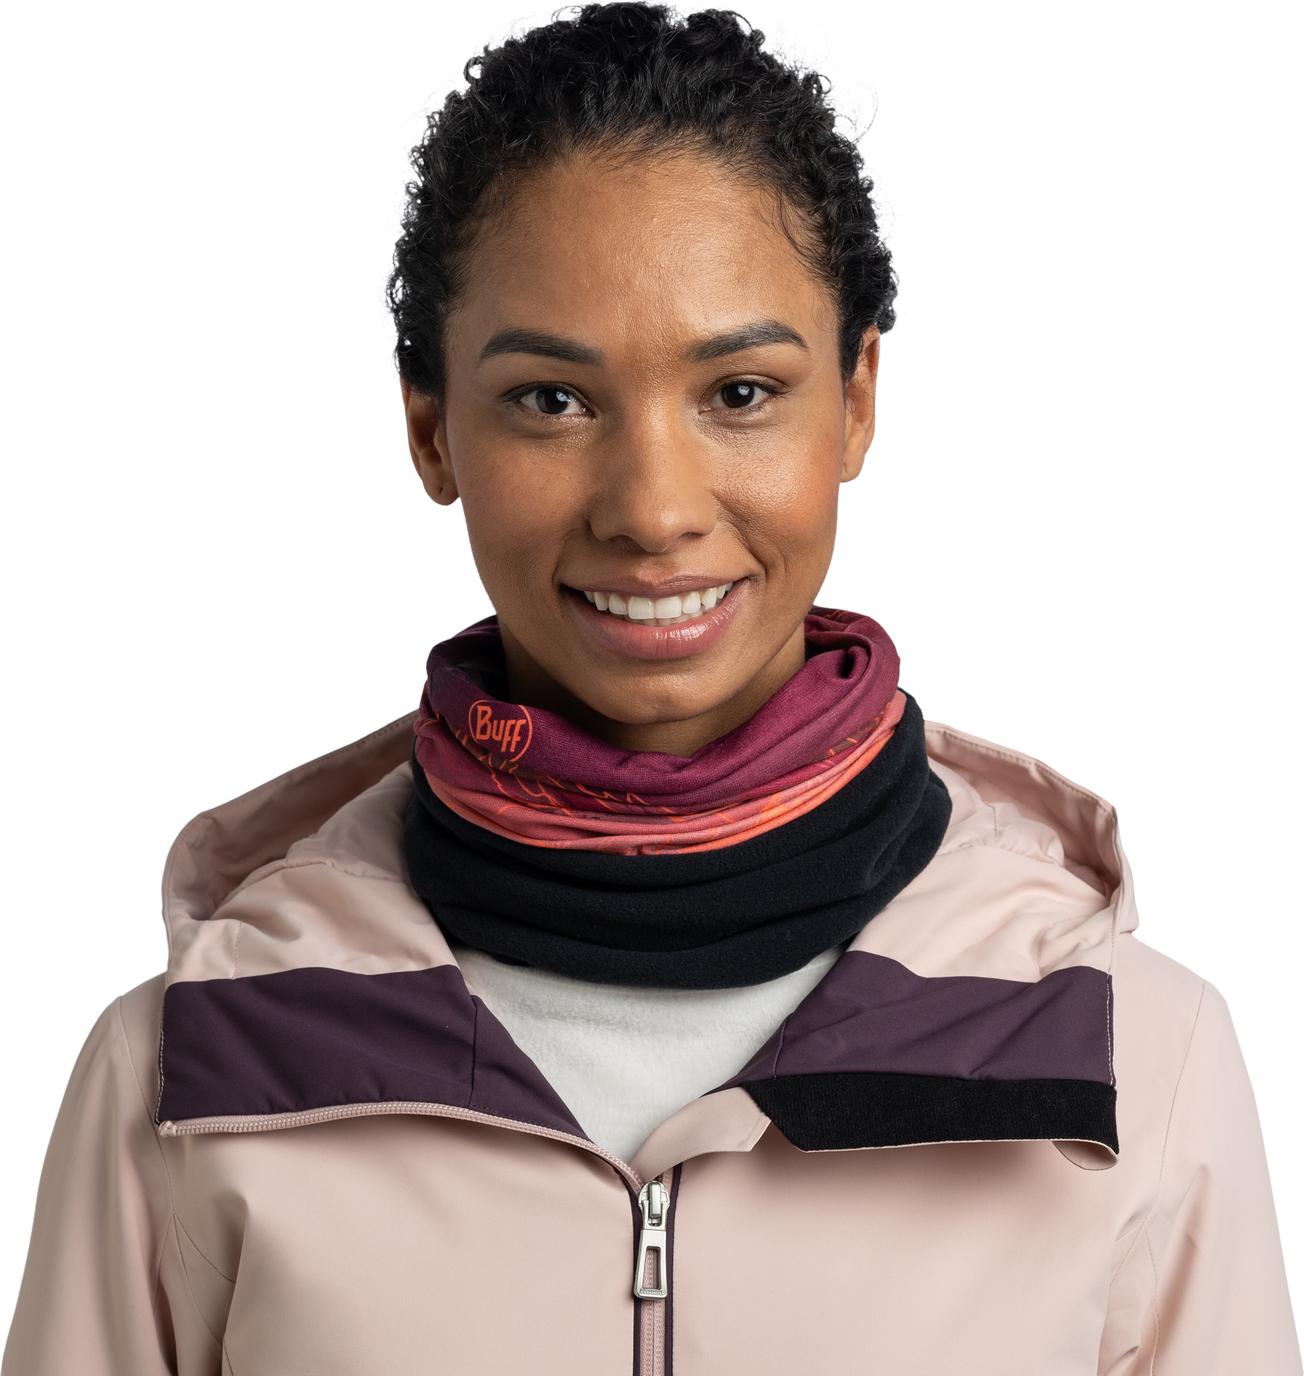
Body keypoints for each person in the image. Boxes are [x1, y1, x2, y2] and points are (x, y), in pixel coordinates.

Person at [3, 2, 1300, 1372]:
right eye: (551, 401)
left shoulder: (1130, 1059)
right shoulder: (193, 1072)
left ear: (857, 397)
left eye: (740, 393)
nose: (653, 508)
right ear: (430, 425)